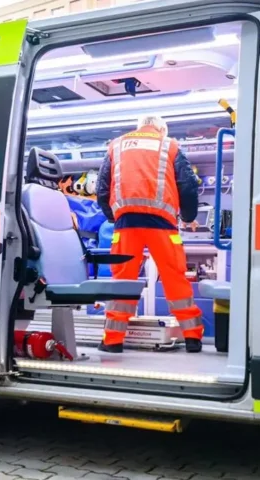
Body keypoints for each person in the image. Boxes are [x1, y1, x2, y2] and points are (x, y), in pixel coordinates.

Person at [96, 115, 204, 353]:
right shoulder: (170, 145)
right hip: (163, 224)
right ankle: (192, 338)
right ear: (161, 129)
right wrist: (187, 217)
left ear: (139, 127)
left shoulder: (116, 145)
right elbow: (187, 185)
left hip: (126, 224)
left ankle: (113, 340)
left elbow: (102, 188)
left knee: (122, 281)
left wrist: (114, 216)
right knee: (175, 277)